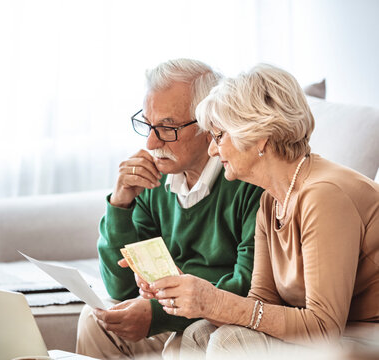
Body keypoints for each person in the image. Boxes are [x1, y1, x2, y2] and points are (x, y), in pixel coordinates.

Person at [149, 63, 379, 358]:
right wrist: (198, 300)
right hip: (339, 332)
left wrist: (216, 302)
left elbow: (323, 326)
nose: (212, 151)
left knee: (232, 343)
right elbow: (260, 303)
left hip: (366, 332)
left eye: (219, 136)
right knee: (194, 335)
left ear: (259, 137)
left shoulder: (324, 195)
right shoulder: (270, 203)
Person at [75, 59, 264, 359]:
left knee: (192, 336)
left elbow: (250, 288)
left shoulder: (248, 182)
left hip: (223, 319)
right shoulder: (155, 180)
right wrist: (120, 204)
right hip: (173, 312)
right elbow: (120, 286)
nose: (151, 143)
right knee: (95, 319)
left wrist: (156, 316)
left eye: (167, 127)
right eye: (147, 124)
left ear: (209, 124)